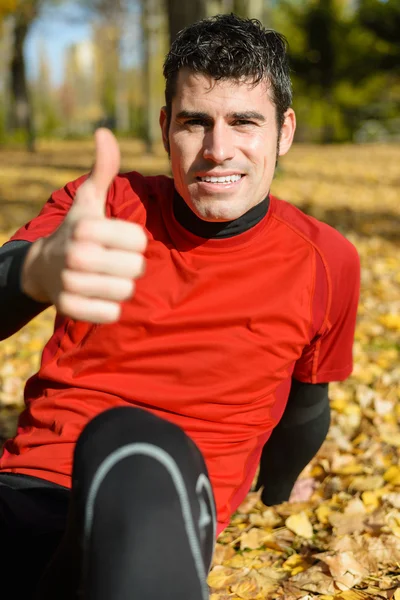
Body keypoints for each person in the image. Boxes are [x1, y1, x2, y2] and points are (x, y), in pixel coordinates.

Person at [0, 13, 360, 600]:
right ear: (167, 126)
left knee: (129, 445)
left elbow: (305, 407)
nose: (218, 150)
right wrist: (35, 270)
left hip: (158, 514)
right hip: (28, 494)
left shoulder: (326, 260)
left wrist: (278, 487)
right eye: (196, 122)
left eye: (245, 122)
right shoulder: (106, 203)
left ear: (284, 131)